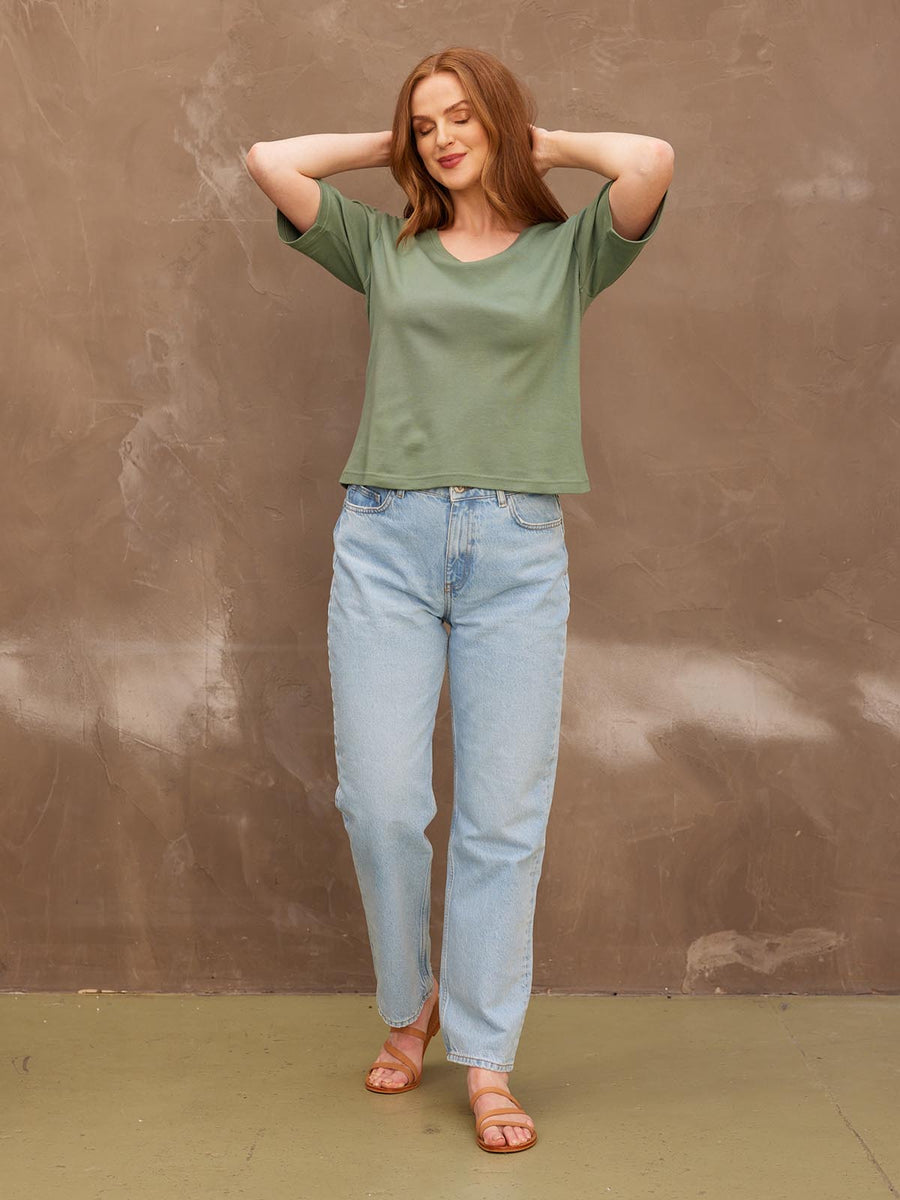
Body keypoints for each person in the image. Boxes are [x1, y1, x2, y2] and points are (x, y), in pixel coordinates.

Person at [245, 45, 672, 1154]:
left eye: (460, 117)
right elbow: (269, 160)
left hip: (518, 551)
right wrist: (387, 146)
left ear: (501, 121)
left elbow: (652, 162)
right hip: (386, 539)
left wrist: (554, 146)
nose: (441, 136)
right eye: (424, 123)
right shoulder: (384, 246)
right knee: (381, 803)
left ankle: (487, 1058)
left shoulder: (568, 254)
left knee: (500, 820)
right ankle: (410, 1004)